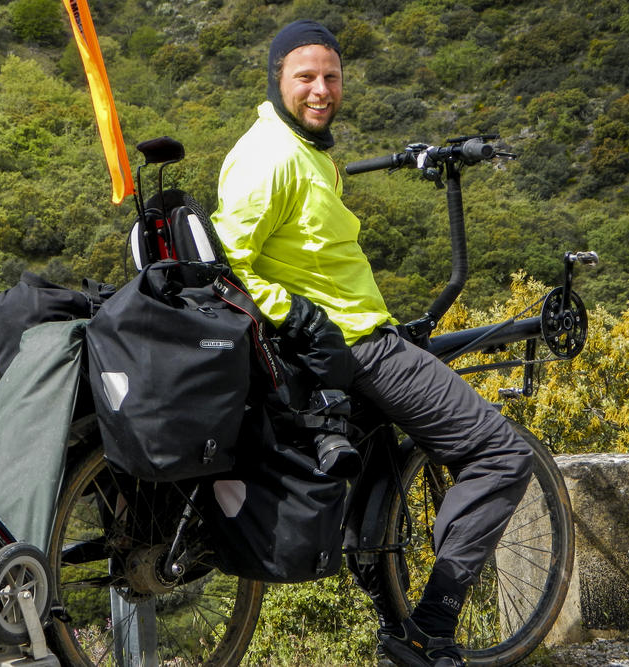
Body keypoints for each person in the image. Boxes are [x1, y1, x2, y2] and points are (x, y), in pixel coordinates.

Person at [211, 19, 534, 667]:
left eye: (330, 76)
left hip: (352, 333)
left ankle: (391, 613)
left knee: (383, 463)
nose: (321, 89)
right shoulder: (271, 156)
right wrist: (295, 315)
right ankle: (431, 626)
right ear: (277, 79)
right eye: (305, 77)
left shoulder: (306, 149)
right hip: (354, 346)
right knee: (503, 453)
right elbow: (229, 263)